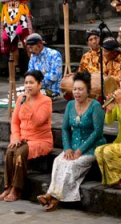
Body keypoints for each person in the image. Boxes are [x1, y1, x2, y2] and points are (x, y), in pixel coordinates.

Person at [37, 71, 105, 211]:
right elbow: (65, 129)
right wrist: (67, 148)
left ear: (88, 91)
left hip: (91, 147)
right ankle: (51, 195)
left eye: (80, 89)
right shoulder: (69, 105)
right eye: (75, 89)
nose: (77, 92)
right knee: (58, 161)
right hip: (73, 146)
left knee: (71, 166)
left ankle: (53, 198)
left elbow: (97, 132)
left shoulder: (95, 106)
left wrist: (81, 150)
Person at [0, 70, 53, 202]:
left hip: (40, 140)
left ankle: (17, 189)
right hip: (22, 138)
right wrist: (15, 137)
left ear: (39, 84)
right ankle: (7, 187)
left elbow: (38, 121)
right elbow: (15, 122)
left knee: (20, 153)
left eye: (32, 83)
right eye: (26, 83)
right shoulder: (21, 98)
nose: (28, 86)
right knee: (10, 151)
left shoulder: (46, 101)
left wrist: (27, 104)